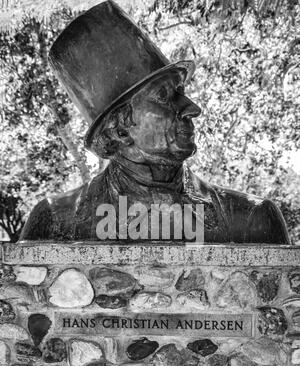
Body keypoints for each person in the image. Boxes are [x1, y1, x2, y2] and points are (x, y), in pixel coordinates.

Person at [20, 1, 289, 244]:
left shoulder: (252, 221)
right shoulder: (55, 222)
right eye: (163, 96)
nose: (192, 108)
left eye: (180, 92)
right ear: (120, 129)